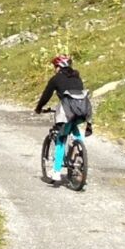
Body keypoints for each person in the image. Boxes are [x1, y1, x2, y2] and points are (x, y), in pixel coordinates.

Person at [33, 54, 93, 183]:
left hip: (67, 112)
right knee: (73, 128)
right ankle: (79, 150)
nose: (55, 69)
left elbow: (46, 96)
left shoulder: (56, 79)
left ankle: (56, 171)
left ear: (59, 67)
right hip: (82, 111)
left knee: (61, 138)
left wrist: (39, 108)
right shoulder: (77, 78)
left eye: (55, 66)